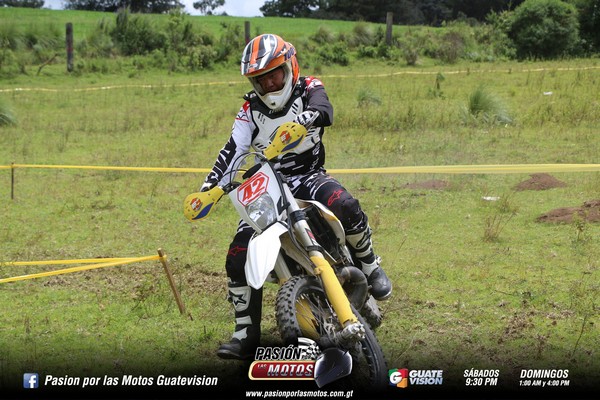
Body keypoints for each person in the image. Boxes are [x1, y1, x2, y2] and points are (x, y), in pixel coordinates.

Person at [200, 33, 392, 360]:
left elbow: (325, 110)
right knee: (237, 254)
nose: (269, 84)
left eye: (274, 74)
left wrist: (307, 118)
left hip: (308, 176)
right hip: (268, 187)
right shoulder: (249, 111)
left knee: (345, 204)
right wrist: (209, 188)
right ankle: (245, 333)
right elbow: (232, 150)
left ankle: (370, 266)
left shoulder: (309, 88)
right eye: (260, 79)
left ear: (289, 68)